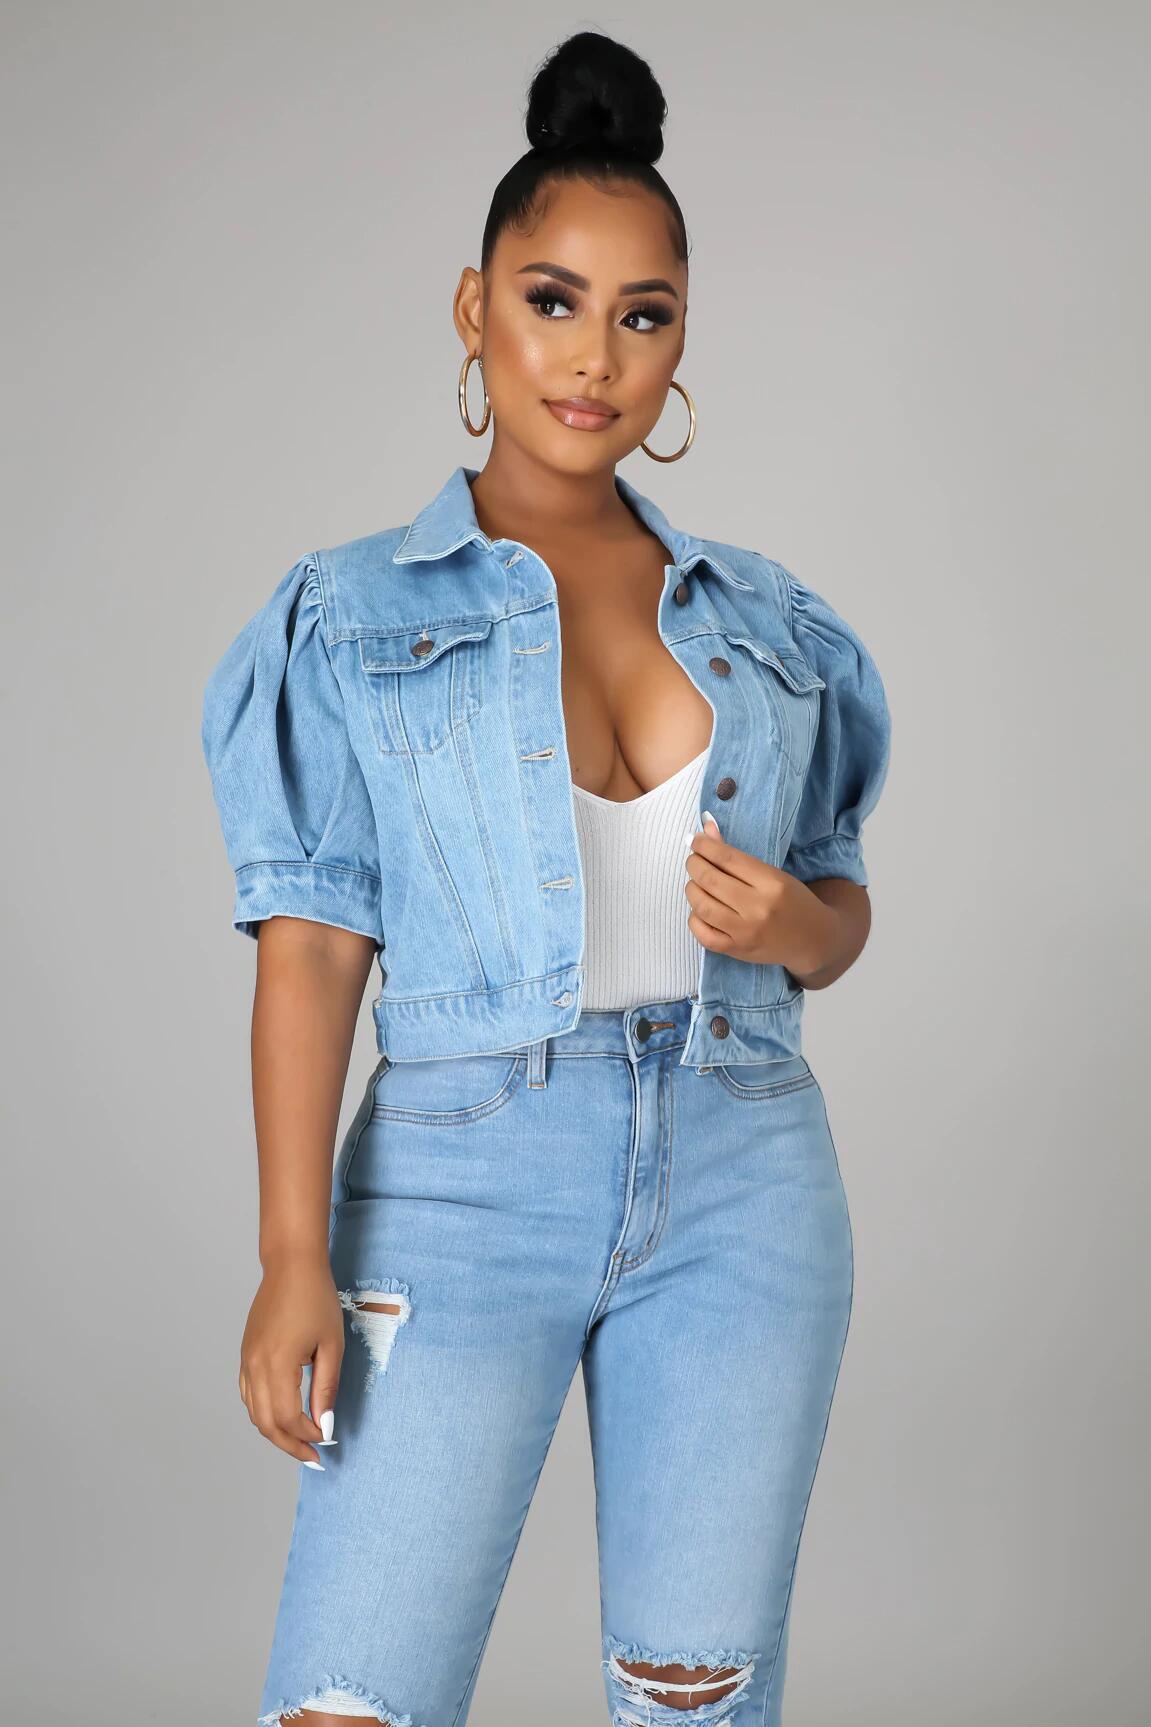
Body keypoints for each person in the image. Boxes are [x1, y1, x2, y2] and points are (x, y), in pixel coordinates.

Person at [200, 29, 892, 1727]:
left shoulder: (771, 621)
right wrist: (292, 1253)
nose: (594, 358)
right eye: (552, 300)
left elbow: (836, 910)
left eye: (643, 315)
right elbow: (312, 950)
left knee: (693, 1701)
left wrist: (793, 923)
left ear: (682, 341)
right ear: (474, 308)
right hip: (461, 1179)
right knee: (354, 1698)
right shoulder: (349, 614)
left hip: (743, 1174)